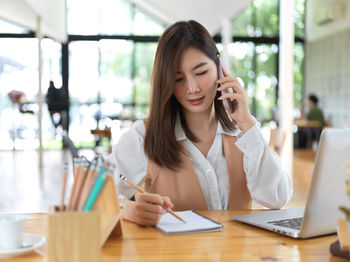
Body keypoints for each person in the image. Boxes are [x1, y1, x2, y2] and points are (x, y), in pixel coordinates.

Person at [108, 20, 293, 226]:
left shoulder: (243, 133)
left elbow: (278, 198)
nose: (192, 88)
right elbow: (95, 194)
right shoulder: (145, 135)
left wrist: (248, 124)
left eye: (200, 73)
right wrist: (128, 209)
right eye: (178, 79)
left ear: (219, 66)